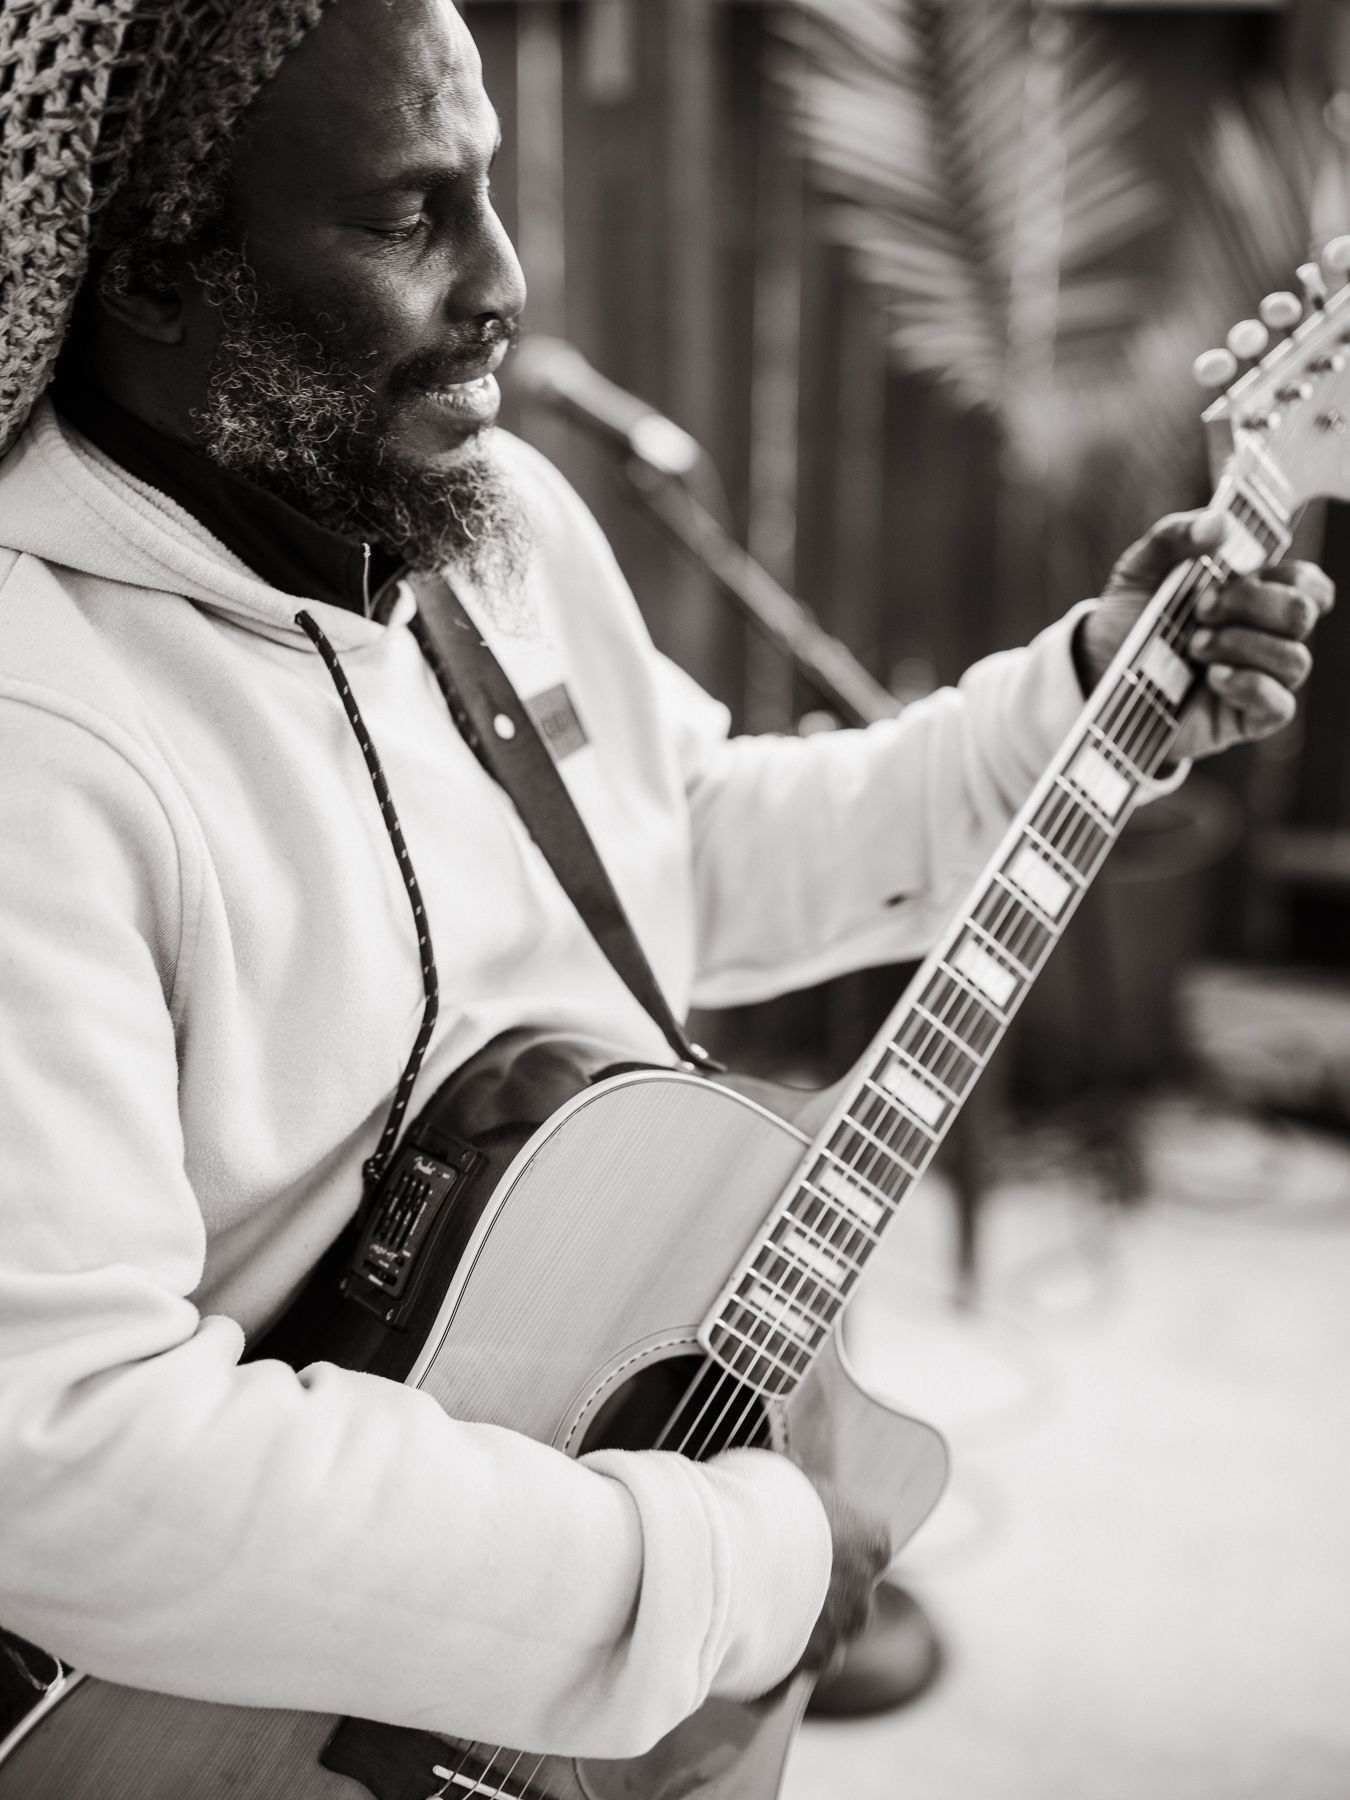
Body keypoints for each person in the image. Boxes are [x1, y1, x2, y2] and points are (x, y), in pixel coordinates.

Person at [0, 0, 1331, 1767]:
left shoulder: (492, 519)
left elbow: (673, 847)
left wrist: (1079, 693)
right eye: (406, 218)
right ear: (155, 277)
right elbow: (64, 1452)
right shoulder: (43, 733)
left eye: (489, 187)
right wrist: (702, 1575)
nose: (503, 279)